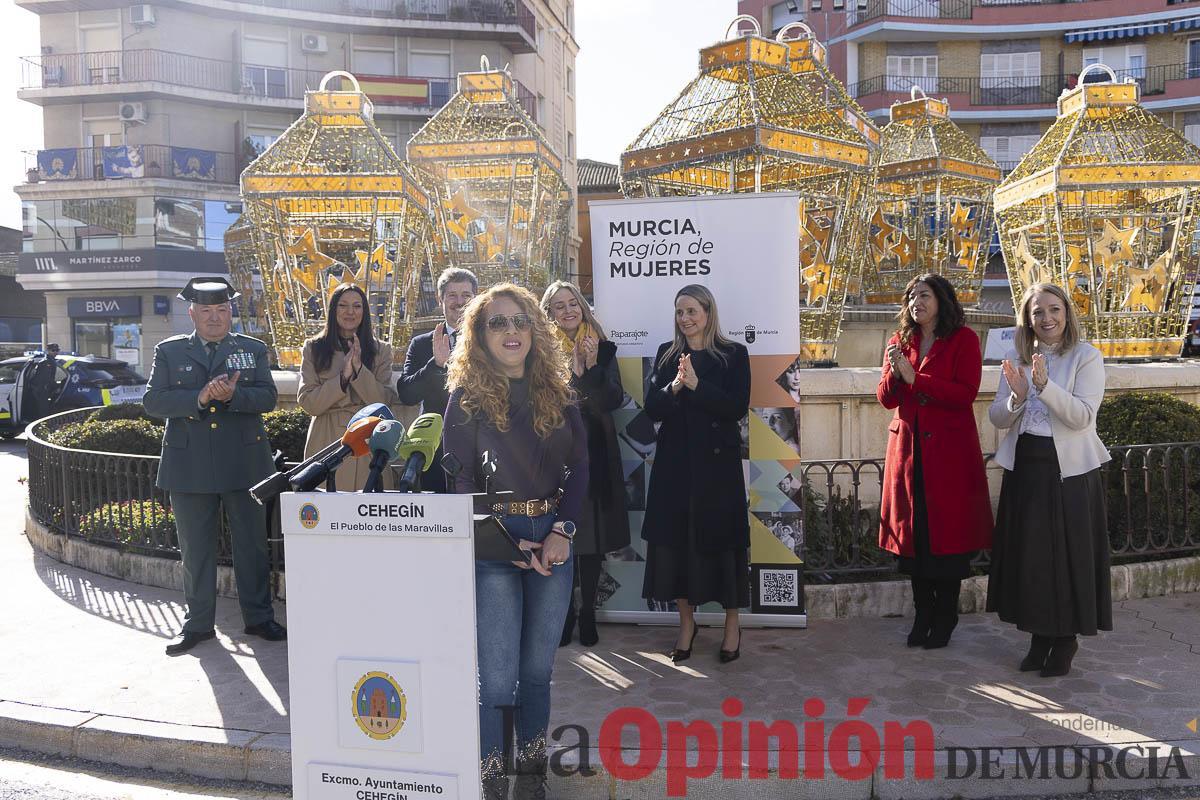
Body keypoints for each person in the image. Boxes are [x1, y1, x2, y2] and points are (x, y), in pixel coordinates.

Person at [442, 283, 587, 799]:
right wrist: (507, 546)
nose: (510, 331)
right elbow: (458, 484)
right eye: (497, 322)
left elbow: (580, 469)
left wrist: (562, 531)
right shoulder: (464, 399)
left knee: (537, 675)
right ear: (479, 334)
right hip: (492, 548)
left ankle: (530, 778)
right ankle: (491, 781)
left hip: (553, 542)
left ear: (535, 330)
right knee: (498, 682)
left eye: (519, 320)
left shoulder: (560, 391)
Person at [143, 277, 285, 656]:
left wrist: (235, 394)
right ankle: (198, 624)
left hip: (244, 463)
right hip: (189, 465)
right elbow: (154, 402)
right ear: (192, 313)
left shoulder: (251, 349)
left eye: (221, 310)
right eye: (206, 311)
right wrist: (201, 396)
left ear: (231, 312)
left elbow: (268, 397)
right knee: (196, 550)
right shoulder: (169, 351)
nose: (214, 318)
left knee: (252, 547)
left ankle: (258, 617)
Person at [987, 282, 1111, 677]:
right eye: (1038, 312)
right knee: (1031, 558)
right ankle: (1039, 634)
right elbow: (997, 417)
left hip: (1069, 471)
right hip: (1027, 464)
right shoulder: (1015, 356)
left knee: (1066, 557)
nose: (1047, 318)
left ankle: (1065, 638)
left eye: (1054, 309)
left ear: (1067, 313)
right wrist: (1018, 396)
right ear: (1027, 318)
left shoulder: (1086, 356)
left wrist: (1045, 387)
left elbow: (1081, 417)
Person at [877, 273, 992, 650]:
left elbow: (965, 393)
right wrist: (897, 374)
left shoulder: (963, 340)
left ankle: (946, 616)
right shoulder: (899, 342)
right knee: (917, 542)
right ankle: (922, 613)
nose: (916, 303)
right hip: (910, 455)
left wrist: (917, 379)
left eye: (924, 295)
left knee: (949, 542)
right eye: (911, 297)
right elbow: (886, 399)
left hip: (949, 457)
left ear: (942, 299)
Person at [641, 284, 751, 664]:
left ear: (708, 312)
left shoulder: (733, 355)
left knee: (723, 545)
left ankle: (732, 625)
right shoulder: (667, 354)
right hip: (675, 468)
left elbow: (736, 406)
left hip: (717, 471)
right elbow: (652, 409)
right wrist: (675, 385)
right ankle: (686, 625)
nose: (685, 319)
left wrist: (697, 386)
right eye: (679, 312)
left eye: (691, 311)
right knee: (676, 547)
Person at [541, 280, 630, 648]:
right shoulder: (540, 353)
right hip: (551, 451)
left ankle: (588, 613)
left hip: (593, 449)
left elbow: (611, 399)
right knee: (554, 531)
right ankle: (563, 613)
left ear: (583, 307)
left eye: (572, 303)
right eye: (558, 305)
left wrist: (590, 368)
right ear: (548, 314)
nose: (567, 310)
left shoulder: (604, 349)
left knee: (589, 537)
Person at [298, 283, 399, 490]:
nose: (350, 312)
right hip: (326, 441)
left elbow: (384, 401)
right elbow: (309, 403)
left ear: (365, 311)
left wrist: (359, 370)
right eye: (343, 306)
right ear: (333, 310)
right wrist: (342, 378)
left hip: (368, 439)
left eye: (357, 306)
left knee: (369, 512)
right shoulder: (313, 348)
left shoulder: (381, 350)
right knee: (326, 514)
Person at [397, 268, 478, 491]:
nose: (459, 301)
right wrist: (435, 365)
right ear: (440, 299)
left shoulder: (489, 341)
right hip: (435, 451)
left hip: (479, 448)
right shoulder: (421, 344)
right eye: (452, 295)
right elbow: (407, 394)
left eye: (466, 295)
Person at [26, 343, 60, 420]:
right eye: (53, 350)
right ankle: (42, 427)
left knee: (45, 410)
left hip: (44, 389)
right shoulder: (46, 362)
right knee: (43, 411)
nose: (55, 352)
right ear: (48, 351)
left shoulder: (51, 361)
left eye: (57, 350)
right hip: (41, 390)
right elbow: (45, 379)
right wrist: (55, 387)